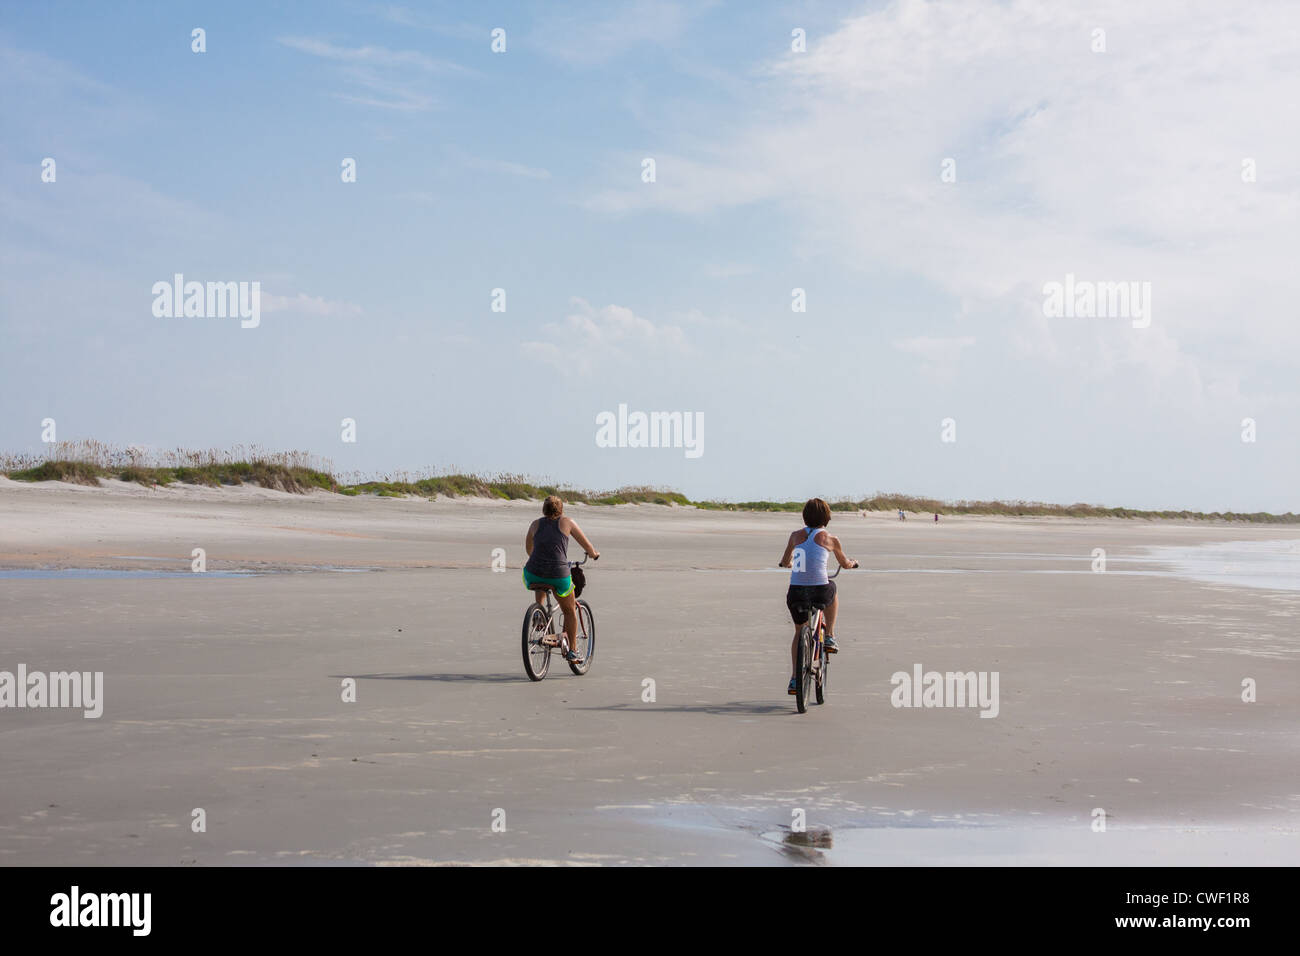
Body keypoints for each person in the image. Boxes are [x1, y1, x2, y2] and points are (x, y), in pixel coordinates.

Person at [778, 498, 858, 695]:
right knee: (832, 588)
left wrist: (787, 564)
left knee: (799, 631)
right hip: (819, 590)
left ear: (805, 517)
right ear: (827, 518)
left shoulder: (795, 536)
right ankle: (829, 635)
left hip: (796, 591)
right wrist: (853, 563)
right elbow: (845, 563)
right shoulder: (831, 539)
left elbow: (785, 560)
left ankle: (795, 679)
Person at [523, 496, 599, 661]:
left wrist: (539, 559)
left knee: (541, 581)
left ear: (544, 509)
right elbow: (587, 546)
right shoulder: (567, 522)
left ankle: (538, 613)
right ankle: (572, 650)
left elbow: (529, 549)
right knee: (570, 611)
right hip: (558, 574)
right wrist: (594, 554)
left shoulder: (535, 524)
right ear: (561, 509)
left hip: (532, 573)